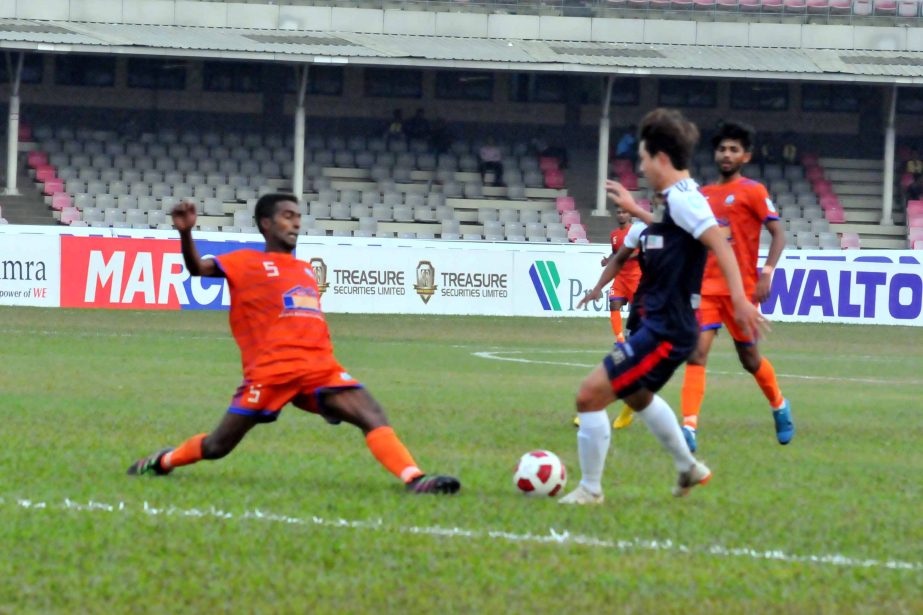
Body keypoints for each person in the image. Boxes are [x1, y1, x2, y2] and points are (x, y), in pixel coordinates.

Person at [127, 194, 461, 495]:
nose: (296, 222)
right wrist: (186, 233)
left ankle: (415, 478)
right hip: (270, 373)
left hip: (319, 369)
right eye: (288, 215)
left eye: (298, 216)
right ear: (266, 224)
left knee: (371, 413)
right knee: (217, 446)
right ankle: (164, 460)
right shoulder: (244, 262)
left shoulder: (303, 269)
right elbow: (197, 268)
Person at [559, 108, 767, 505]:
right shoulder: (678, 199)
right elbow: (669, 231)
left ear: (660, 159)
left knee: (588, 396)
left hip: (667, 327)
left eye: (642, 159)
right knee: (636, 396)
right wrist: (635, 209)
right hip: (666, 323)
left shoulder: (685, 201)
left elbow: (719, 243)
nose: (641, 167)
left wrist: (740, 298)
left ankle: (590, 489)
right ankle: (688, 467)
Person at [678, 121, 793, 453]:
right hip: (707, 290)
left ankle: (779, 405)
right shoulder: (702, 196)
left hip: (741, 292)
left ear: (745, 156)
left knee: (750, 359)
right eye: (722, 149)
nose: (726, 154)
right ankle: (689, 427)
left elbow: (779, 233)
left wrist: (767, 273)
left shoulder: (753, 191)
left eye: (733, 149)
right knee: (696, 354)